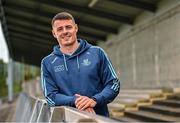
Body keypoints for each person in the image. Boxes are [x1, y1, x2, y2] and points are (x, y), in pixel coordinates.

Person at [41, 12, 120, 117]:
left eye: (68, 27)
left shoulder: (97, 53)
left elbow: (113, 84)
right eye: (60, 29)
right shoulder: (47, 62)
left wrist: (94, 100)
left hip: (97, 118)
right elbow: (50, 97)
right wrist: (77, 101)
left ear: (76, 28)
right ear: (54, 33)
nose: (65, 31)